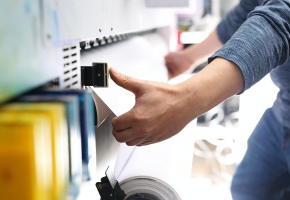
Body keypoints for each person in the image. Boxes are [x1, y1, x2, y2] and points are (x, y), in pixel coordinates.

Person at [108, 0, 290, 199]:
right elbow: (250, 9)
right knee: (247, 188)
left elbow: (283, 19)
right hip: (282, 114)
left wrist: (185, 100)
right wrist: (189, 57)